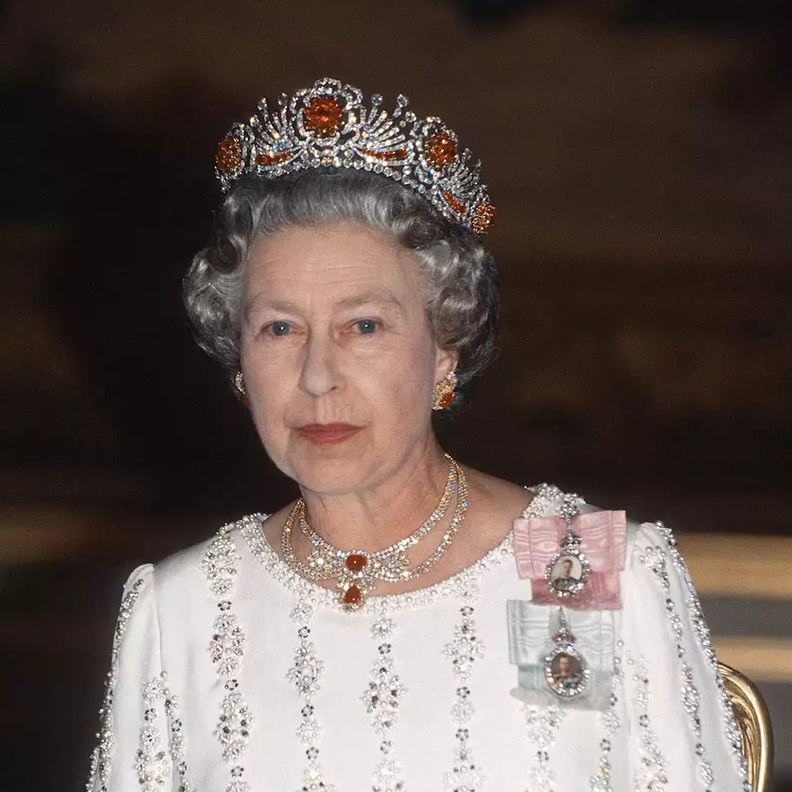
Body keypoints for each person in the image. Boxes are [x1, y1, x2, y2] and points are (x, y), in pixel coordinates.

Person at [85, 78, 752, 792]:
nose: (317, 378)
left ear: (444, 346)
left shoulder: (566, 565)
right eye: (279, 328)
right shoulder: (184, 608)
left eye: (363, 326)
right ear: (239, 361)